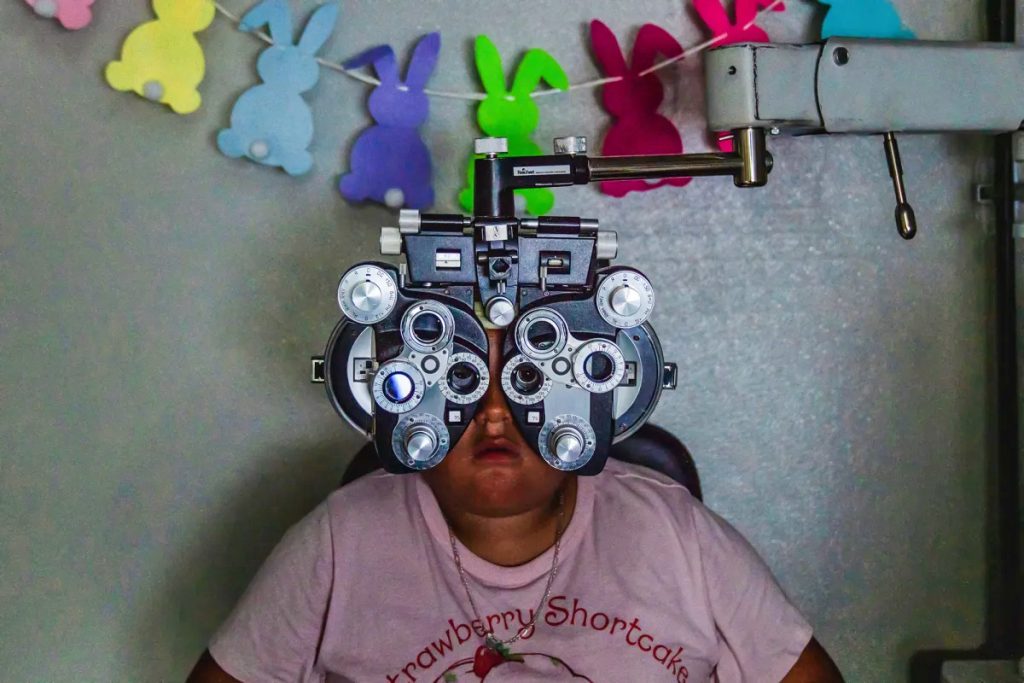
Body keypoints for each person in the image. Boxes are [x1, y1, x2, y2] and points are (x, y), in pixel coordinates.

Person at [187, 327, 844, 682]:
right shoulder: (340, 541)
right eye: (463, 382)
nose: (496, 413)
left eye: (527, 381)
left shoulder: (677, 535)